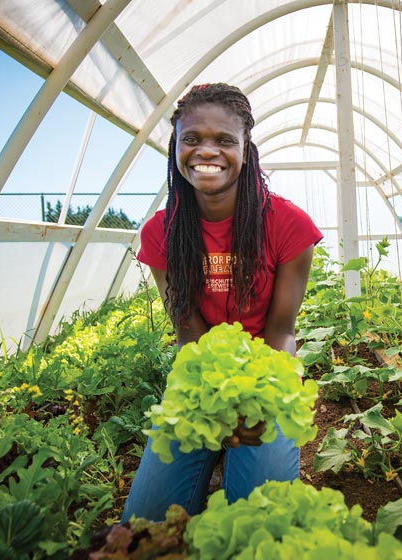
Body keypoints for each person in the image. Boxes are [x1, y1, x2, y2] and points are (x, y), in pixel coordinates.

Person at [121, 83, 323, 522]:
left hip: (267, 373)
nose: (206, 151)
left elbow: (281, 331)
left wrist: (256, 400)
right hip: (200, 378)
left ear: (246, 150)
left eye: (224, 140)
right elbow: (187, 330)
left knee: (259, 518)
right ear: (176, 147)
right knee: (145, 524)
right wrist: (209, 401)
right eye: (191, 139)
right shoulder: (162, 232)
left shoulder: (289, 224)